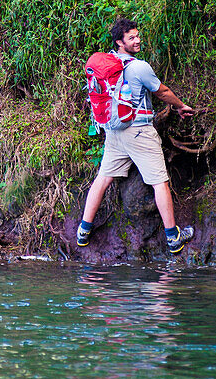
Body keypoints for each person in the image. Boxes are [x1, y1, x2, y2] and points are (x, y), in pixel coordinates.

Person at [78, 18, 196, 254]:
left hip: (114, 132)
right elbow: (162, 91)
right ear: (119, 42)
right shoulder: (138, 66)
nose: (137, 40)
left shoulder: (108, 65)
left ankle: (82, 232)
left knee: (103, 179)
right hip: (139, 131)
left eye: (137, 35)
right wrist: (181, 106)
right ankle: (173, 237)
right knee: (159, 182)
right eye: (131, 37)